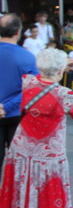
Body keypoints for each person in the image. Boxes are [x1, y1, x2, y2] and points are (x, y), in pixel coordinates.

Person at [0, 48, 73, 208]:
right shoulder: (63, 94)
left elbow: (39, 76)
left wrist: (54, 66)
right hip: (49, 154)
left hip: (21, 149)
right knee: (50, 193)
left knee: (11, 192)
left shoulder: (29, 83)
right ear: (59, 70)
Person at [0, 14, 39, 171]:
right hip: (17, 114)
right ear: (18, 32)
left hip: (11, 112)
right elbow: (32, 89)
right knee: (20, 166)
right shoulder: (28, 57)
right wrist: (6, 107)